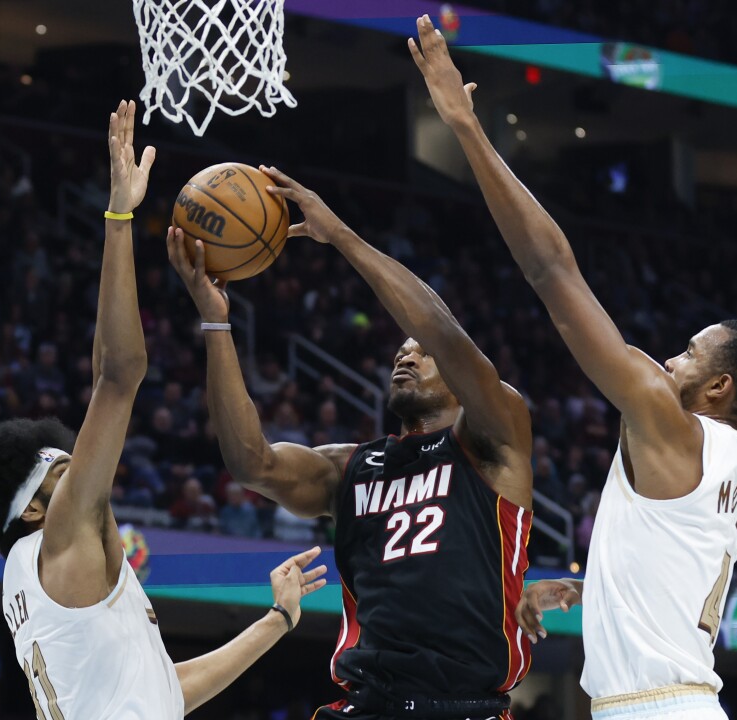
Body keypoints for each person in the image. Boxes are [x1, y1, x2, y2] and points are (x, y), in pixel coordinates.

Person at [408, 15, 737, 720]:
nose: (667, 359)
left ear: (719, 385)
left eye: (688, 353)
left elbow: (552, 272)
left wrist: (466, 127)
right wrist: (603, 591)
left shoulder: (674, 429)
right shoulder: (733, 460)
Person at [0, 101, 326, 720]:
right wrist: (120, 217)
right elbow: (118, 375)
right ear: (40, 507)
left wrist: (279, 621)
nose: (81, 462)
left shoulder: (47, 570)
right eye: (61, 470)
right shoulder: (62, 538)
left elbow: (162, 691)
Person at [168, 166, 535, 720]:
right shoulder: (354, 468)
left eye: (423, 352)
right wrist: (216, 324)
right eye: (399, 352)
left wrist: (340, 235)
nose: (405, 356)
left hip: (465, 706)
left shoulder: (493, 439)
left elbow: (440, 330)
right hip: (367, 703)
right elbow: (252, 464)